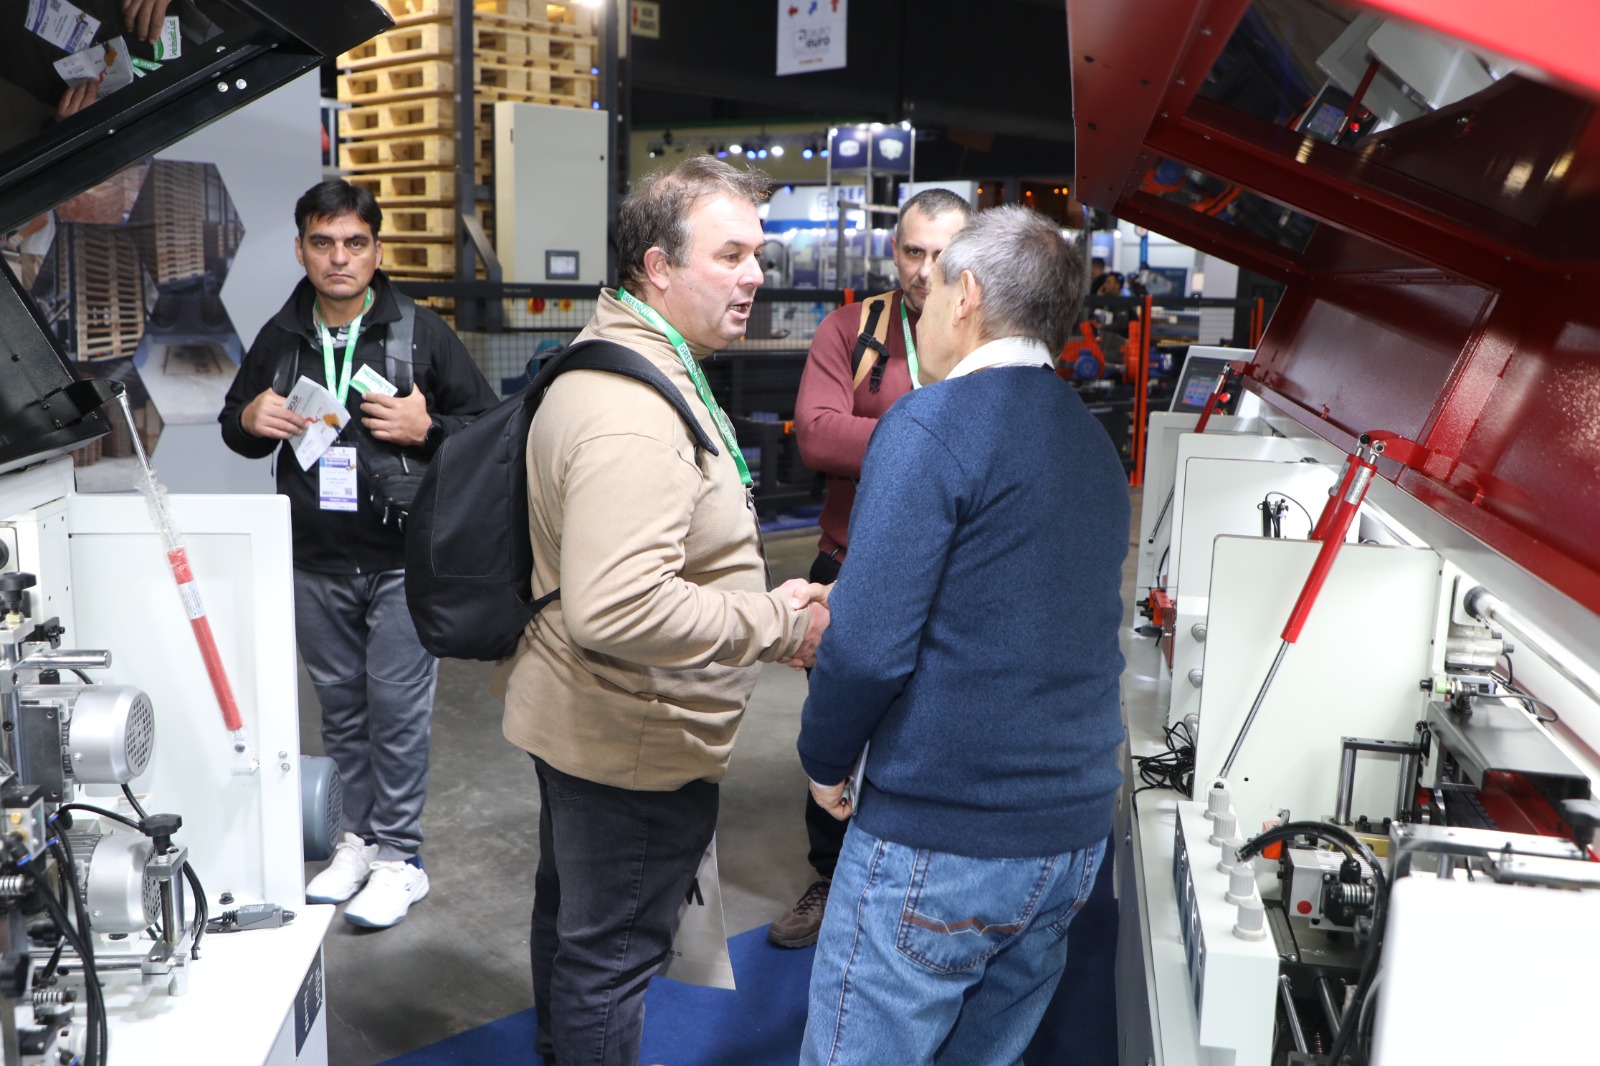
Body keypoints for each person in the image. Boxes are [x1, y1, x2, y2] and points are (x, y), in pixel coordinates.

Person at [493, 155, 830, 1066]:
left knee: (577, 929)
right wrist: (779, 622)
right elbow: (618, 608)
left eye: (757, 255)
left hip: (589, 716)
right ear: (658, 267)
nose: (755, 276)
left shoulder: (635, 359)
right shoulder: (634, 411)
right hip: (632, 733)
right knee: (609, 959)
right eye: (730, 255)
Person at [794, 204, 1130, 1064]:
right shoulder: (1093, 442)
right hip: (1070, 837)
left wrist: (825, 759)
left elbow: (868, 648)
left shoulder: (930, 423)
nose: (922, 308)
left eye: (935, 285)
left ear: (967, 295)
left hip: (942, 836)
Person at [219, 179, 497, 928]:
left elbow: (487, 428)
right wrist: (249, 418)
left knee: (397, 713)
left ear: (376, 251)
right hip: (314, 558)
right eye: (323, 243)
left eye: (354, 243)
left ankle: (401, 859)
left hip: (403, 559)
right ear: (301, 249)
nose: (339, 258)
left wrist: (428, 430)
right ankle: (357, 841)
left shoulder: (420, 332)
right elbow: (237, 430)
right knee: (342, 714)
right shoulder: (281, 337)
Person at [773, 187, 972, 949]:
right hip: (849, 565)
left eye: (940, 255)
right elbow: (818, 437)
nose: (924, 270)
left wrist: (879, 432)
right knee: (838, 723)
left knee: (935, 727)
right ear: (894, 251)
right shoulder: (852, 331)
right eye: (911, 251)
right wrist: (942, 438)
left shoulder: (986, 330)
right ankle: (831, 877)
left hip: (952, 575)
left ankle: (922, 883)